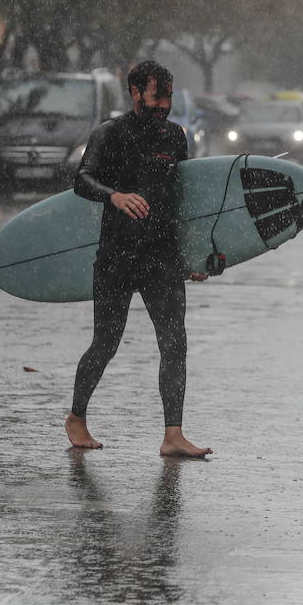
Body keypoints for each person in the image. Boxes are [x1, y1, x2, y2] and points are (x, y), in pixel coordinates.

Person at [65, 60, 212, 457]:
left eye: (167, 96)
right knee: (106, 343)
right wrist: (114, 195)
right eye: (156, 96)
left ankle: (173, 434)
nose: (164, 104)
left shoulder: (175, 137)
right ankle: (76, 417)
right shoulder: (109, 134)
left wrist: (192, 255)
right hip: (117, 256)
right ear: (134, 93)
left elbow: (182, 200)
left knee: (174, 344)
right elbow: (82, 179)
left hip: (161, 255)